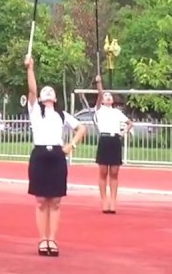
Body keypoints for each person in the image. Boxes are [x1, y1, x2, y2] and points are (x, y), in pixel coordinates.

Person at [24, 55, 84, 257]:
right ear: (40, 97)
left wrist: (71, 145)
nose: (48, 94)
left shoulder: (62, 114)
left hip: (57, 156)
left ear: (56, 98)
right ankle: (42, 239)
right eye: (44, 92)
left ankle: (52, 239)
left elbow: (81, 128)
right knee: (41, 200)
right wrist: (30, 68)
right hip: (40, 154)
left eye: (51, 93)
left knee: (56, 201)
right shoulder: (35, 111)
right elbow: (31, 89)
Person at [91, 80, 132, 214]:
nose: (108, 97)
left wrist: (123, 132)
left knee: (114, 173)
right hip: (104, 139)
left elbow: (129, 123)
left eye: (110, 96)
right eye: (105, 96)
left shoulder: (117, 112)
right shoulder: (99, 110)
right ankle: (104, 201)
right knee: (103, 172)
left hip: (115, 140)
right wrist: (99, 84)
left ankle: (113, 202)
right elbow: (100, 93)